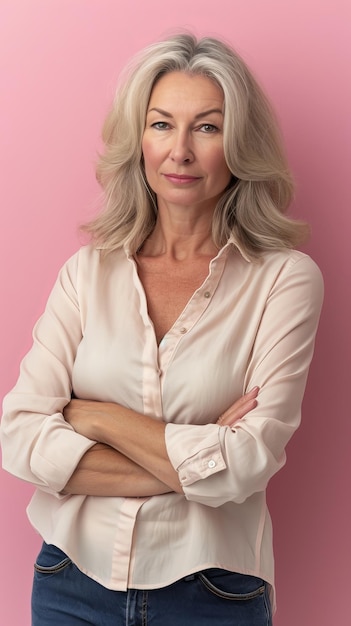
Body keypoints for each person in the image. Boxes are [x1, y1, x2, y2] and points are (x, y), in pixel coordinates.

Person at [1, 33, 323, 626]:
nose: (179, 151)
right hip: (71, 583)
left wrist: (97, 417)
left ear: (239, 144)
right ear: (139, 140)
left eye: (206, 127)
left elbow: (251, 456)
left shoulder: (284, 281)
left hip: (213, 594)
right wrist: (197, 464)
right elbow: (18, 435)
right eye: (161, 124)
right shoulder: (86, 273)